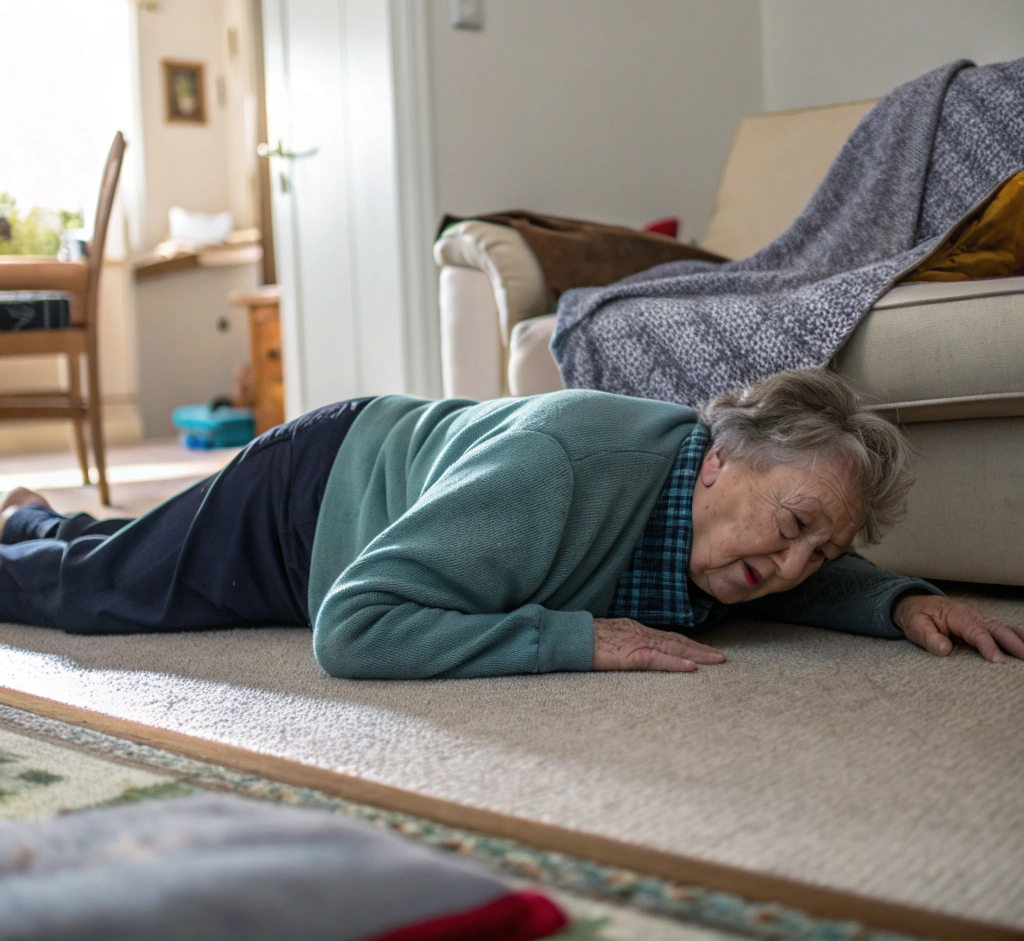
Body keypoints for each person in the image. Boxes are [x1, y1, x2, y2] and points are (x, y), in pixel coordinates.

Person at [1, 370, 1021, 679]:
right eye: (794, 521)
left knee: (124, 549)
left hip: (396, 489)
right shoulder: (562, 473)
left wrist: (896, 597)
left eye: (825, 553)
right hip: (312, 503)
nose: (795, 564)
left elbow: (780, 557)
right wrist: (575, 637)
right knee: (97, 597)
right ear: (718, 457)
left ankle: (36, 513)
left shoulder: (737, 522)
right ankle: (33, 540)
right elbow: (353, 626)